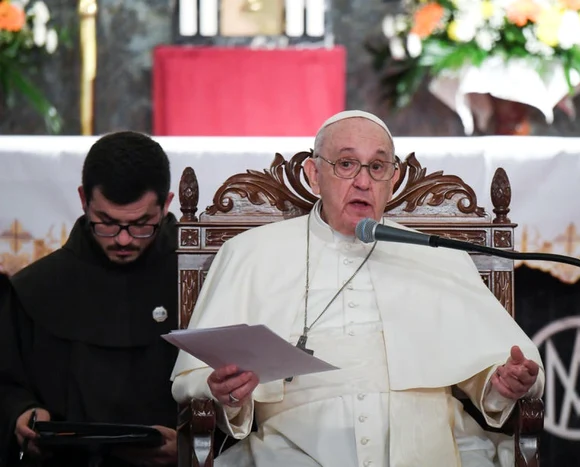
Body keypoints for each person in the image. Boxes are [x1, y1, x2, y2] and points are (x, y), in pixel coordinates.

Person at [170, 110, 545, 467]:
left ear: (393, 179)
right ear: (314, 174)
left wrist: (503, 382)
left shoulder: (438, 256)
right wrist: (226, 390)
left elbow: (501, 367)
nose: (363, 182)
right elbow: (198, 376)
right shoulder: (250, 253)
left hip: (430, 444)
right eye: (346, 164)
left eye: (378, 167)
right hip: (294, 446)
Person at [0, 131, 180, 467]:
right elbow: (7, 384)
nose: (124, 240)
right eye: (107, 223)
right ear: (84, 200)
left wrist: (189, 447)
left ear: (166, 204)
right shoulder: (35, 289)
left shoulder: (201, 279)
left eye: (142, 224)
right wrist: (22, 414)